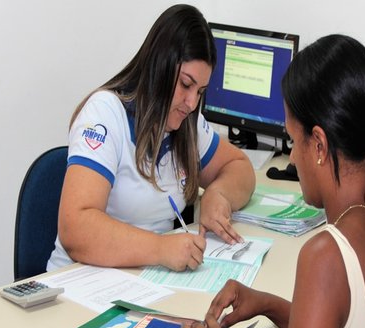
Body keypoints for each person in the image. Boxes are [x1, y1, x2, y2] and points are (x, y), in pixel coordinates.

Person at [173, 34, 365, 328]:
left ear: (319, 145)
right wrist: (269, 304)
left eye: (293, 140)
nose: (292, 158)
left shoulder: (326, 257)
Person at [46, 4, 255, 272]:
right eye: (185, 84)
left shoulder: (186, 123)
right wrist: (160, 248)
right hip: (80, 284)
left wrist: (218, 194)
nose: (191, 103)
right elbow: (76, 229)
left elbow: (240, 167)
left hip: (145, 283)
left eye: (200, 91)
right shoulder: (105, 114)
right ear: (160, 67)